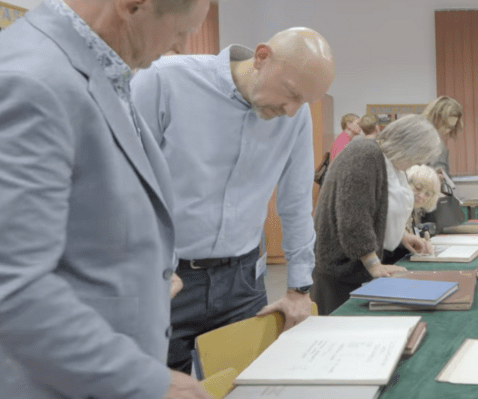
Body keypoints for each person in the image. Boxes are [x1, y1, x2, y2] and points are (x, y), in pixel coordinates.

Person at [0, 0, 218, 399]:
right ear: (133, 5)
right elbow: (11, 284)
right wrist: (146, 384)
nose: (180, 47)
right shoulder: (32, 82)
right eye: (180, 32)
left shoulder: (97, 66)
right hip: (57, 389)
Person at [132, 27, 335, 373]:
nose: (291, 111)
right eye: (290, 93)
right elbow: (123, 184)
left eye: (303, 102)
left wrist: (300, 287)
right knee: (159, 391)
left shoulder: (295, 117)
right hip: (164, 279)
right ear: (261, 57)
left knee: (246, 389)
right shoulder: (163, 82)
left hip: (242, 281)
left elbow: (297, 202)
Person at [313, 115, 442, 314]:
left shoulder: (387, 163)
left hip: (355, 267)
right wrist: (374, 264)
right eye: (417, 156)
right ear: (408, 146)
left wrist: (402, 237)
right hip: (340, 271)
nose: (416, 162)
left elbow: (379, 211)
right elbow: (354, 215)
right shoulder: (365, 153)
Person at [421, 96, 464, 182]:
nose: (448, 131)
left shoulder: (440, 146)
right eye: (445, 125)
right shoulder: (421, 140)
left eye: (451, 127)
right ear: (436, 117)